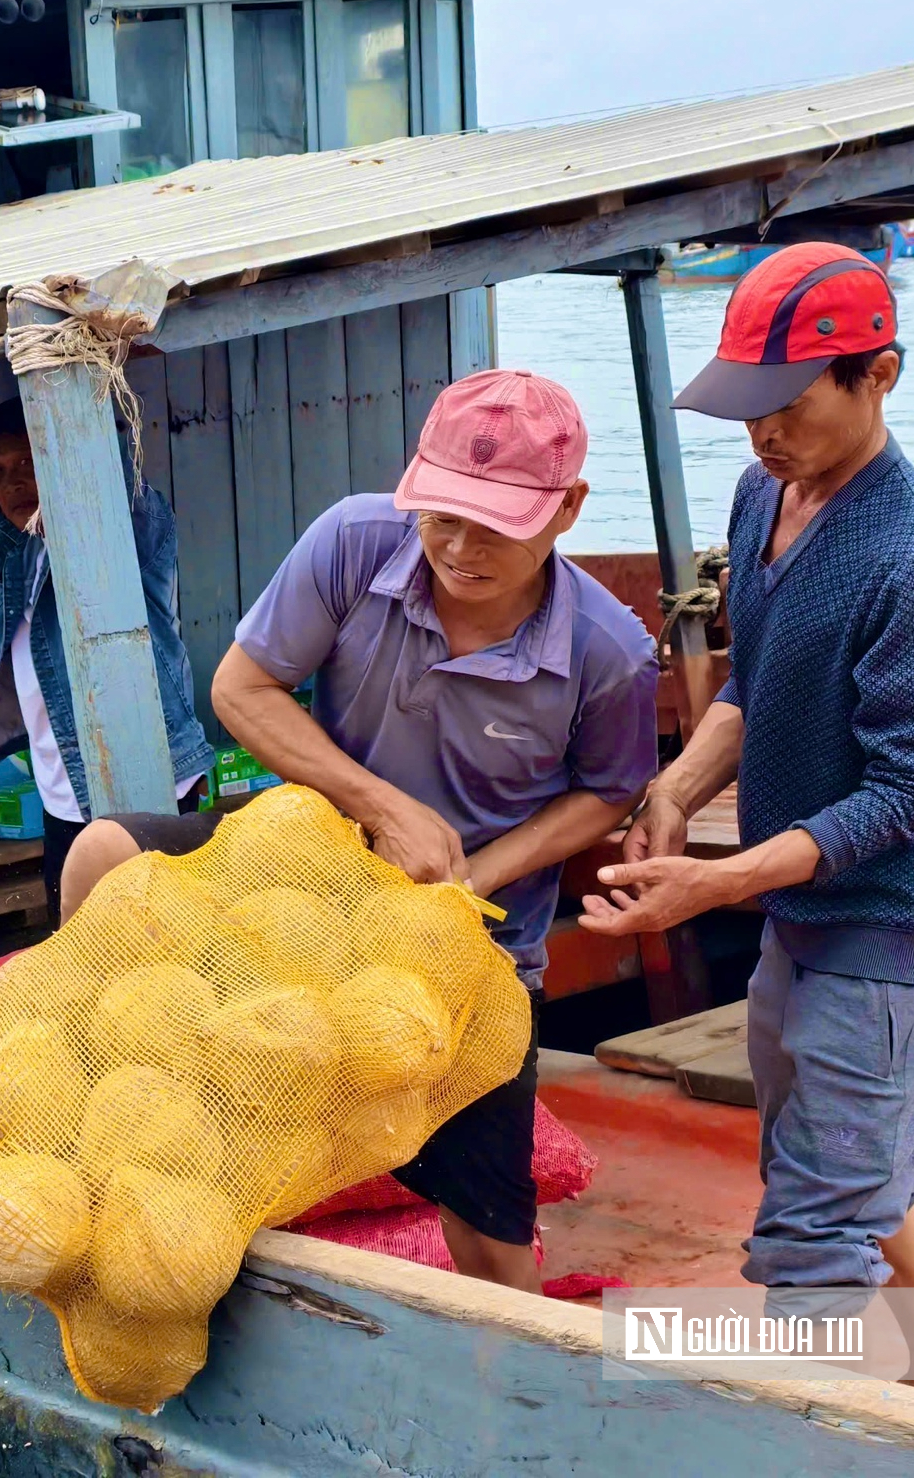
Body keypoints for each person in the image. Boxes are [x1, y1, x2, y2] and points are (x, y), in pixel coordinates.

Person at [60, 368, 658, 1290]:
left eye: (496, 524)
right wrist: (381, 806)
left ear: (568, 509)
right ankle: (97, 1124)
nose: (460, 548)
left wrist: (479, 874)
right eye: (442, 514)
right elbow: (239, 688)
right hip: (302, 862)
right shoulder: (353, 541)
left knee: (497, 1245)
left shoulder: (609, 652)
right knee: (102, 854)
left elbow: (609, 793)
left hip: (465, 945)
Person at [579, 242, 914, 1403]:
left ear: (880, 377)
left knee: (812, 1249)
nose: (758, 433)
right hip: (796, 920)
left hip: (887, 937)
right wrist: (673, 789)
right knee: (856, 1169)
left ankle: (793, 1427)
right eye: (741, 406)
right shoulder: (765, 491)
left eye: (785, 405)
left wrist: (716, 884)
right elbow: (754, 681)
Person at [0, 356, 213, 918]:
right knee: (75, 957)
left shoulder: (127, 521)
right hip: (63, 789)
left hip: (146, 778)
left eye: (26, 461)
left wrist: (65, 352)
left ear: (59, 454)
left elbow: (109, 464)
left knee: (163, 941)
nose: (12, 481)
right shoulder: (11, 530)